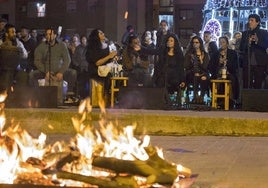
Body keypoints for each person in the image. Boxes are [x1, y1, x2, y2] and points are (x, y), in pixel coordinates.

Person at [29, 27, 71, 104]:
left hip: (59, 70)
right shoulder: (41, 47)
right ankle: (36, 97)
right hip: (45, 70)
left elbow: (67, 60)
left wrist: (61, 72)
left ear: (55, 35)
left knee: (73, 73)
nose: (48, 36)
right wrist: (46, 71)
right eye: (47, 34)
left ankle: (68, 97)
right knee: (32, 75)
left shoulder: (62, 45)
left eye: (50, 34)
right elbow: (37, 61)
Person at [85, 29, 117, 106]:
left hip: (107, 68)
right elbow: (97, 63)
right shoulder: (93, 48)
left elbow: (111, 59)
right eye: (101, 33)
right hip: (96, 70)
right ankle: (106, 97)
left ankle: (116, 97)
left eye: (103, 32)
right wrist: (109, 56)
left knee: (120, 74)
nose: (103, 34)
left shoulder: (108, 46)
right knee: (109, 76)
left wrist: (114, 57)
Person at [239, 13, 268, 89]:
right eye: (249, 20)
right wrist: (247, 42)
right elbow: (241, 48)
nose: (249, 22)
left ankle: (257, 100)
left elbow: (266, 45)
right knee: (246, 83)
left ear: (257, 22)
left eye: (252, 20)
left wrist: (257, 41)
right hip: (247, 63)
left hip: (260, 62)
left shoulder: (264, 32)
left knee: (258, 84)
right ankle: (245, 100)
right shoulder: (245, 33)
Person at [210, 36, 240, 106]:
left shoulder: (233, 53)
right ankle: (217, 100)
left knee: (232, 79)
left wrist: (227, 62)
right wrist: (219, 63)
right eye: (220, 42)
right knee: (212, 79)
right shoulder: (215, 54)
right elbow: (210, 67)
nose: (222, 44)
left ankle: (230, 100)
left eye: (223, 42)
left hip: (229, 72)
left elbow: (235, 66)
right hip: (218, 73)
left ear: (227, 43)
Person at [0, 24, 28, 93]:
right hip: (3, 69)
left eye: (15, 32)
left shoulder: (18, 43)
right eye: (12, 32)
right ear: (6, 34)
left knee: (24, 76)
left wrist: (17, 50)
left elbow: (25, 55)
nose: (15, 34)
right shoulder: (1, 42)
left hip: (16, 68)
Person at [184, 35, 210, 103]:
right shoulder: (189, 54)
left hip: (203, 73)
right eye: (193, 42)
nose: (195, 44)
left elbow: (205, 67)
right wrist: (192, 61)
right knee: (195, 75)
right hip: (191, 73)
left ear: (200, 43)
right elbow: (186, 66)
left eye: (197, 42)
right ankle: (195, 97)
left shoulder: (205, 54)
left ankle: (201, 97)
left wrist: (201, 60)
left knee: (204, 78)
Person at [72, 35, 89, 100]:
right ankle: (80, 96)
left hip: (87, 68)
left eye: (85, 39)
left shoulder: (89, 48)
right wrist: (77, 65)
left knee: (87, 83)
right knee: (81, 83)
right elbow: (74, 58)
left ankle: (87, 96)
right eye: (82, 39)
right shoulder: (78, 48)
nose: (83, 41)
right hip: (80, 68)